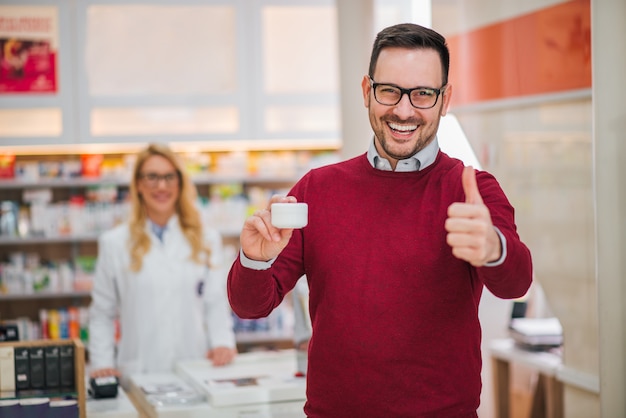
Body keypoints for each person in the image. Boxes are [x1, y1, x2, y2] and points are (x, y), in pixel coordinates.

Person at [227, 23, 532, 417]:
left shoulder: (472, 189)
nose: (404, 111)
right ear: (367, 91)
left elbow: (517, 282)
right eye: (390, 91)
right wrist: (254, 259)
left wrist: (494, 248)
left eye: (423, 94)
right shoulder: (316, 189)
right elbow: (250, 306)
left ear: (445, 99)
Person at [89, 143, 237, 382]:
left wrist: (222, 343)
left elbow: (215, 302)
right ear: (138, 184)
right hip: (139, 373)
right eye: (152, 177)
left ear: (180, 183)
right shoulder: (114, 243)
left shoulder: (206, 238)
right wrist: (102, 363)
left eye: (169, 177)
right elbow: (102, 313)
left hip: (195, 368)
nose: (161, 186)